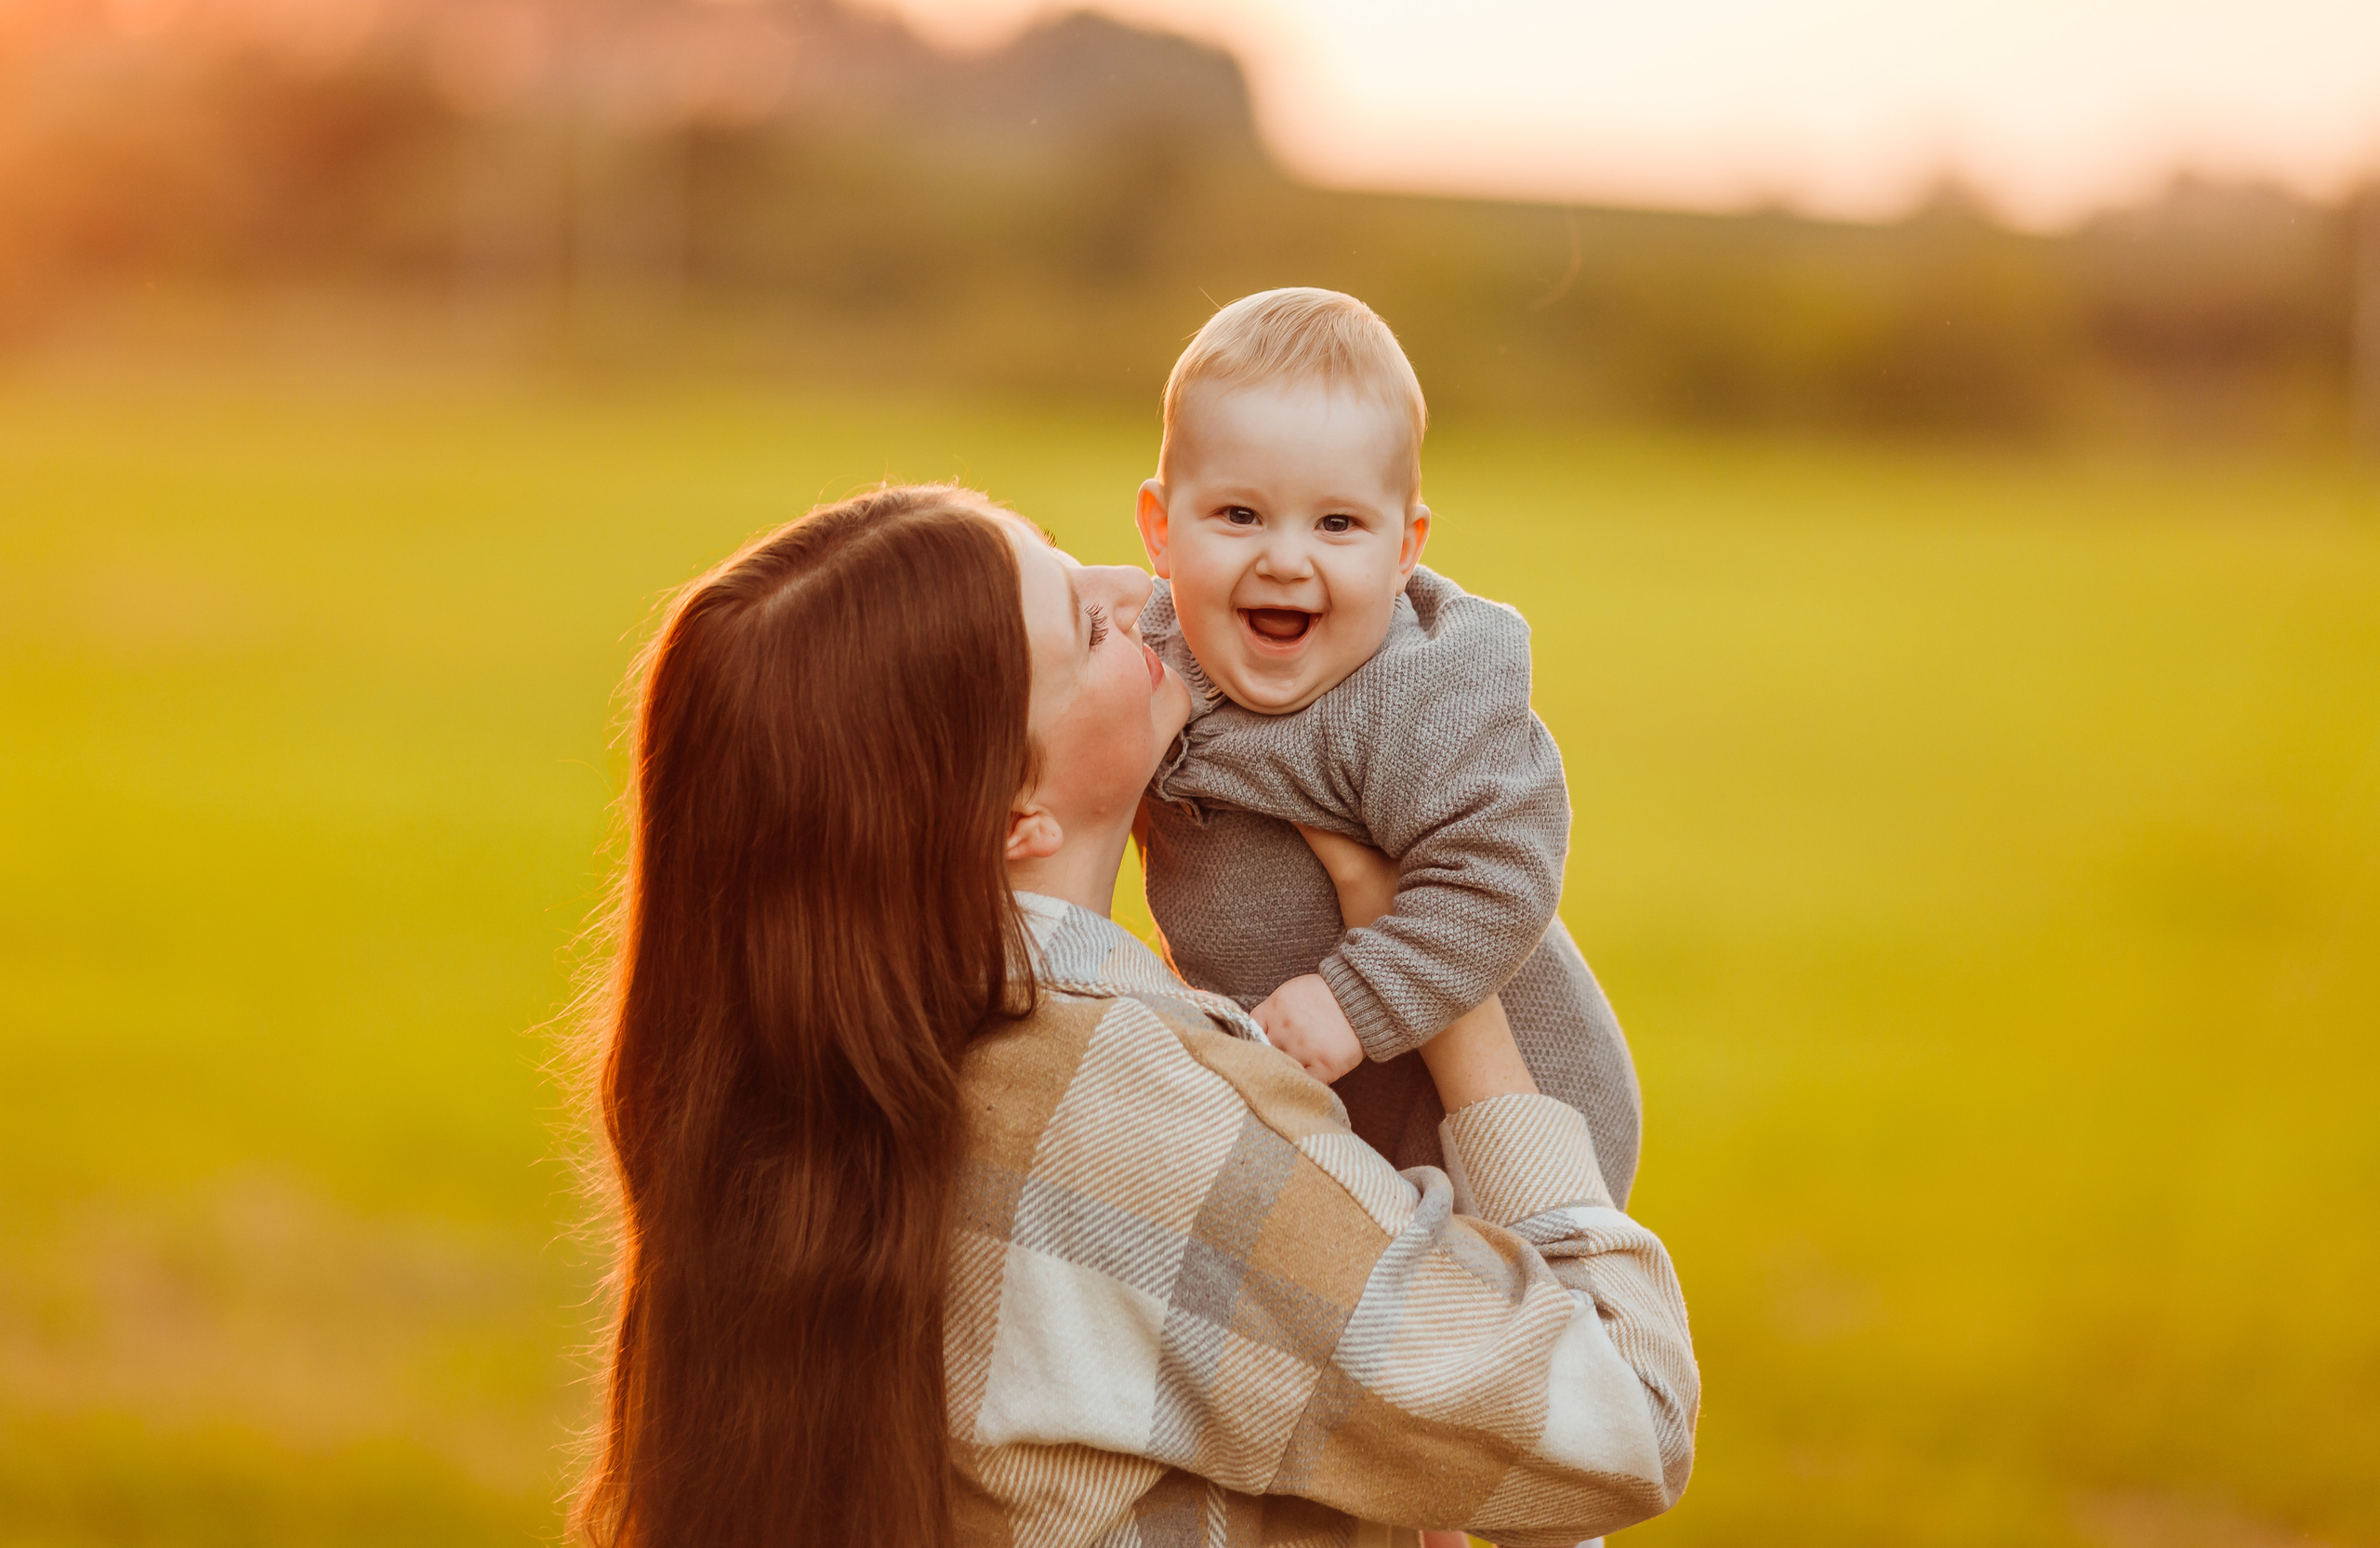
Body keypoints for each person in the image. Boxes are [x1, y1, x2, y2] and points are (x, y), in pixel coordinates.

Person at [575, 483, 1697, 1548]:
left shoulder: (827, 1077)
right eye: (1085, 625)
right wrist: (1435, 976)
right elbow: (1621, 1417)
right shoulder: (1137, 1111)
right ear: (1013, 811)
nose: (1137, 591)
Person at [1131, 287, 1645, 1206]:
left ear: (1404, 548)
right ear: (1161, 530)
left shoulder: (1415, 698)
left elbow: (1498, 876)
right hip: (1323, 1113)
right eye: (1240, 516)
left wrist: (1353, 1003)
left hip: (1494, 1114)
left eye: (1336, 524)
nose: (1286, 560)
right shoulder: (1146, 662)